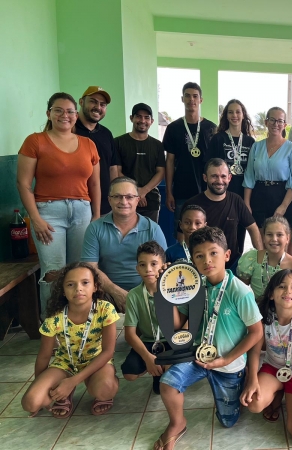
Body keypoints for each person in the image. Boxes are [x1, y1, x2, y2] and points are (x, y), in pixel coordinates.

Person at [155, 227, 263, 448]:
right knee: (167, 385)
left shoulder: (240, 292)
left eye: (213, 253)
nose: (207, 260)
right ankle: (177, 423)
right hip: (198, 356)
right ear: (193, 260)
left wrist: (226, 360)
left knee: (228, 421)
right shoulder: (195, 287)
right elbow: (177, 324)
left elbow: (256, 332)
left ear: (227, 255)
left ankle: (239, 382)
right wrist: (163, 291)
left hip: (228, 364)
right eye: (200, 256)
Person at [17, 92, 101, 313]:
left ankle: (80, 323)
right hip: (48, 213)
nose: (65, 115)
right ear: (49, 113)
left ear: (76, 114)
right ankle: (52, 326)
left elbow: (95, 185)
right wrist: (35, 219)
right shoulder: (35, 141)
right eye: (59, 110)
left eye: (70, 111)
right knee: (53, 273)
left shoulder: (88, 144)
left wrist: (96, 216)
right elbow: (23, 184)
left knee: (79, 272)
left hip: (82, 211)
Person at [21, 262, 119, 418]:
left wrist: (74, 381)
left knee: (104, 390)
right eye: (70, 284)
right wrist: (40, 386)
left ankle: (87, 382)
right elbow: (44, 357)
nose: (78, 288)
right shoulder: (54, 318)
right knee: (31, 402)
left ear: (95, 287)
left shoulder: (105, 310)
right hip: (65, 363)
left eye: (85, 283)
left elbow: (108, 352)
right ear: (63, 291)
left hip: (97, 360)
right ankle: (64, 392)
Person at [241, 269, 292, 444]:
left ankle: (285, 395)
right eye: (282, 286)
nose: (288, 291)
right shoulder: (263, 315)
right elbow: (254, 350)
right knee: (254, 403)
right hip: (272, 368)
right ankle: (277, 391)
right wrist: (252, 379)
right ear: (272, 294)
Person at [81, 177, 168, 312]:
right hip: (106, 293)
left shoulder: (153, 229)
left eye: (129, 197)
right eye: (117, 197)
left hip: (147, 292)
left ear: (137, 200)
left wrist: (141, 294)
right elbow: (89, 268)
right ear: (109, 200)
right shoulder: (95, 228)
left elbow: (163, 268)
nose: (123, 202)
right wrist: (116, 292)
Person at [182, 158, 263, 271]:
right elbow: (182, 236)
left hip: (233, 265)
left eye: (223, 176)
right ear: (205, 178)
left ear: (229, 178)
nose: (219, 181)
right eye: (214, 176)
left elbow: (253, 228)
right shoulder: (192, 204)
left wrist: (261, 259)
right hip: (203, 267)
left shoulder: (236, 200)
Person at [163, 82, 217, 231]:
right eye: (187, 96)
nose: (191, 100)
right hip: (181, 191)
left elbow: (217, 163)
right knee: (183, 233)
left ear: (201, 100)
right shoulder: (173, 128)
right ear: (182, 99)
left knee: (207, 232)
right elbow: (170, 161)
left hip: (207, 191)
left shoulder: (212, 128)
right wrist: (169, 192)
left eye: (195, 96)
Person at [121, 241, 172, 395]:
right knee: (129, 374)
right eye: (142, 265)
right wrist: (148, 358)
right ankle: (156, 368)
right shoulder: (134, 295)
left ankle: (164, 373)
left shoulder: (173, 289)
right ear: (137, 269)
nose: (148, 269)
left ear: (164, 265)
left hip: (172, 341)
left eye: (154, 264)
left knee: (168, 378)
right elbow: (130, 335)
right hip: (149, 342)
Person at [243, 107, 292, 229]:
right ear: (266, 122)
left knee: (279, 240)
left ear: (284, 124)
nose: (276, 124)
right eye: (272, 120)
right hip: (258, 196)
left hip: (281, 196)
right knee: (260, 241)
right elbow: (249, 177)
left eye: (280, 121)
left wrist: (283, 206)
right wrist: (247, 203)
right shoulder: (256, 146)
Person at [114, 103, 166, 222]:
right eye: (138, 116)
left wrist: (144, 191)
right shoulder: (118, 142)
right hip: (124, 200)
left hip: (150, 200)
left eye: (146, 117)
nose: (142, 120)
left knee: (149, 238)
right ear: (131, 118)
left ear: (152, 121)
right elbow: (117, 171)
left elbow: (160, 172)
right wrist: (135, 191)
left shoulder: (157, 145)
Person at [74, 86, 117, 216]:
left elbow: (112, 168)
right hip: (76, 205)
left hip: (105, 206)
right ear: (81, 102)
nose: (98, 107)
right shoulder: (70, 130)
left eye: (102, 104)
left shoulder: (106, 133)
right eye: (93, 101)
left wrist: (115, 196)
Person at [237, 216, 292, 299]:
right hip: (255, 310)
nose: (274, 239)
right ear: (263, 237)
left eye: (279, 235)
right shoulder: (252, 258)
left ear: (288, 238)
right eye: (269, 234)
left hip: (283, 311)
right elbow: (240, 291)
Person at [207, 99, 255, 198]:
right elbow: (209, 168)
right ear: (226, 116)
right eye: (230, 112)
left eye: (238, 112)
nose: (234, 115)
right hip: (222, 193)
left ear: (243, 115)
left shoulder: (250, 142)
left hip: (244, 194)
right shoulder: (218, 139)